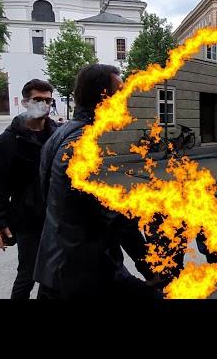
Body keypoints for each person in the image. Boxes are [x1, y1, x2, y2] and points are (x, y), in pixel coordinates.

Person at [34, 64, 162, 299]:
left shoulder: (60, 135)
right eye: (120, 91)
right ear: (103, 98)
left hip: (60, 268)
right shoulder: (86, 146)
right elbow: (116, 217)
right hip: (85, 274)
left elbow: (47, 194)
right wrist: (150, 268)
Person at [0, 79, 57, 299]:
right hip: (27, 219)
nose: (44, 104)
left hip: (56, 218)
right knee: (27, 274)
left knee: (56, 275)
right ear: (26, 102)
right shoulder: (8, 140)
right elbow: (0, 183)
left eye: (48, 100)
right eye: (38, 99)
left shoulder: (58, 135)